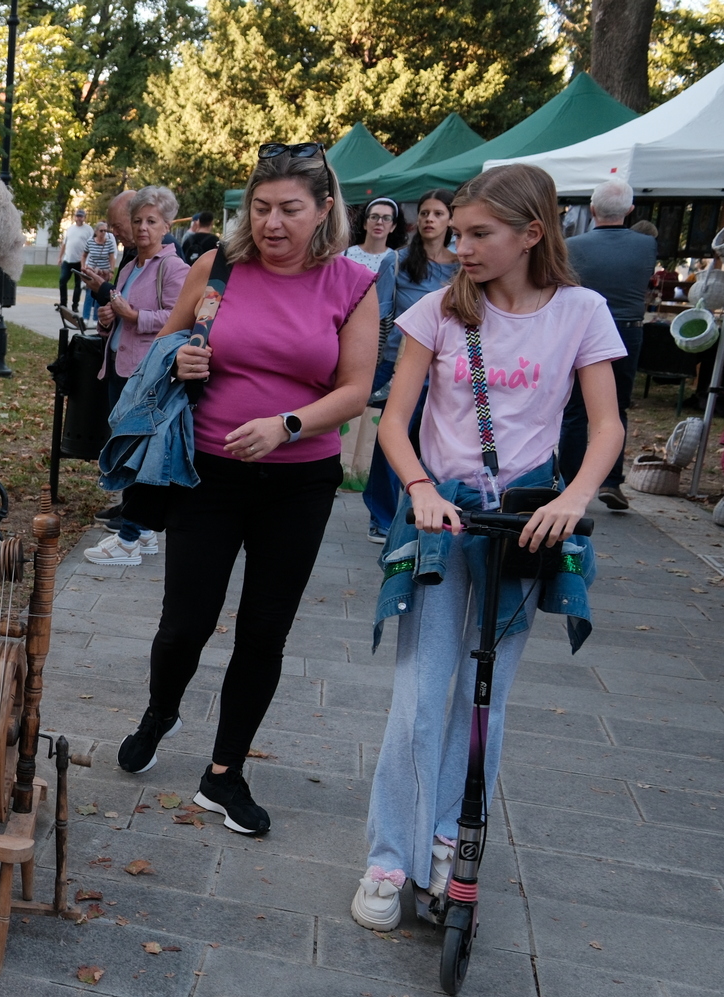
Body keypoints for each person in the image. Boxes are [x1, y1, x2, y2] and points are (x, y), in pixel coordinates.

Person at [353, 164, 624, 930]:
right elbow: (394, 423)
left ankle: (448, 840)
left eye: (478, 234)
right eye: (455, 231)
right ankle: (388, 857)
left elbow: (605, 426)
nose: (456, 245)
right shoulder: (438, 310)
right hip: (440, 518)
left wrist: (573, 500)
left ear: (531, 234)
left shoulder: (580, 312)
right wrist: (418, 489)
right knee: (417, 694)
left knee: (484, 703)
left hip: (525, 521)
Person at [112, 142, 379, 836]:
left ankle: (222, 775)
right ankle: (160, 710)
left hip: (298, 481)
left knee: (263, 631)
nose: (272, 223)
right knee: (184, 625)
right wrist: (187, 360)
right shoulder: (217, 267)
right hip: (206, 472)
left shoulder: (350, 283)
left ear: (323, 210)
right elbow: (161, 355)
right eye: (260, 207)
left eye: (290, 209)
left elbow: (354, 389)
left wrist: (287, 424)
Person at [83, 185, 187, 567]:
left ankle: (130, 536)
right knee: (127, 450)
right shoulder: (129, 266)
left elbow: (181, 319)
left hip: (146, 374)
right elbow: (119, 309)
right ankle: (140, 532)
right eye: (137, 221)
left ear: (166, 226)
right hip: (118, 369)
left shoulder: (174, 268)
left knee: (139, 452)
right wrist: (109, 319)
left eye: (151, 222)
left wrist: (132, 316)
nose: (142, 228)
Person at [361, 189, 459, 540]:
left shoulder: (464, 263)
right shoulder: (398, 261)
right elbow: (381, 312)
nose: (431, 219)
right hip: (399, 360)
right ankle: (382, 517)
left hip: (446, 366)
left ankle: (432, 509)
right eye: (426, 213)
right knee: (393, 437)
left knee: (435, 441)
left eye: (439, 214)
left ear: (451, 220)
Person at [559, 177, 656, 511]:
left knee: (574, 411)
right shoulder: (646, 245)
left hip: (582, 329)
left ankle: (570, 480)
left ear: (592, 209)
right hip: (628, 330)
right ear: (630, 210)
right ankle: (611, 480)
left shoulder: (573, 246)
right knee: (618, 408)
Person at [80, 217, 119, 320]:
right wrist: (83, 266)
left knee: (100, 294)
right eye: (101, 231)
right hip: (92, 271)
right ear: (96, 231)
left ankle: (96, 318)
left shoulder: (109, 243)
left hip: (103, 272)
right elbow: (84, 255)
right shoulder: (90, 242)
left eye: (105, 231)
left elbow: (112, 258)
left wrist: (111, 271)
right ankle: (85, 317)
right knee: (89, 294)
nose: (103, 233)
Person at [59, 207, 93, 312]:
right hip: (68, 260)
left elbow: (91, 245)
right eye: (77, 216)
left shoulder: (88, 230)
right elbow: (64, 244)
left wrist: (87, 262)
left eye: (81, 216)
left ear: (84, 218)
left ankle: (75, 305)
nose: (79, 218)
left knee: (78, 284)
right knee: (62, 280)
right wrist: (60, 257)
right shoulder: (70, 229)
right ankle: (63, 304)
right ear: (75, 217)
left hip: (80, 261)